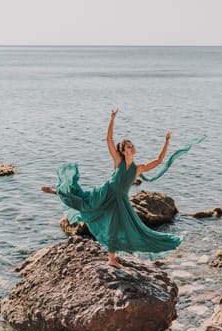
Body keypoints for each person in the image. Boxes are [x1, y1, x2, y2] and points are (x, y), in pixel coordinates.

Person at [42, 108, 187, 268]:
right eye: (128, 146)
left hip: (121, 200)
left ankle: (113, 258)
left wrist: (166, 142)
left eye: (132, 145)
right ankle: (57, 190)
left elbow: (159, 161)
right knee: (83, 202)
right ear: (123, 151)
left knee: (131, 227)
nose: (131, 148)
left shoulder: (138, 168)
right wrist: (112, 118)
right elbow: (109, 139)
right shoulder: (118, 161)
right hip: (105, 193)